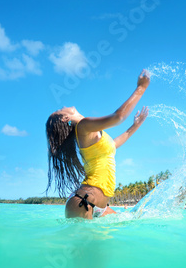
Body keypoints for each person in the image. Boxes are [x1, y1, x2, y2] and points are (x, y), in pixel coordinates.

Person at [46, 70, 150, 219]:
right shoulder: (83, 126)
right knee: (85, 243)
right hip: (84, 202)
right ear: (64, 118)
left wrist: (135, 126)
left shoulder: (88, 134)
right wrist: (141, 88)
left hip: (99, 206)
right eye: (58, 110)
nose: (61, 106)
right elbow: (118, 117)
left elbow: (114, 144)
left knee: (131, 220)